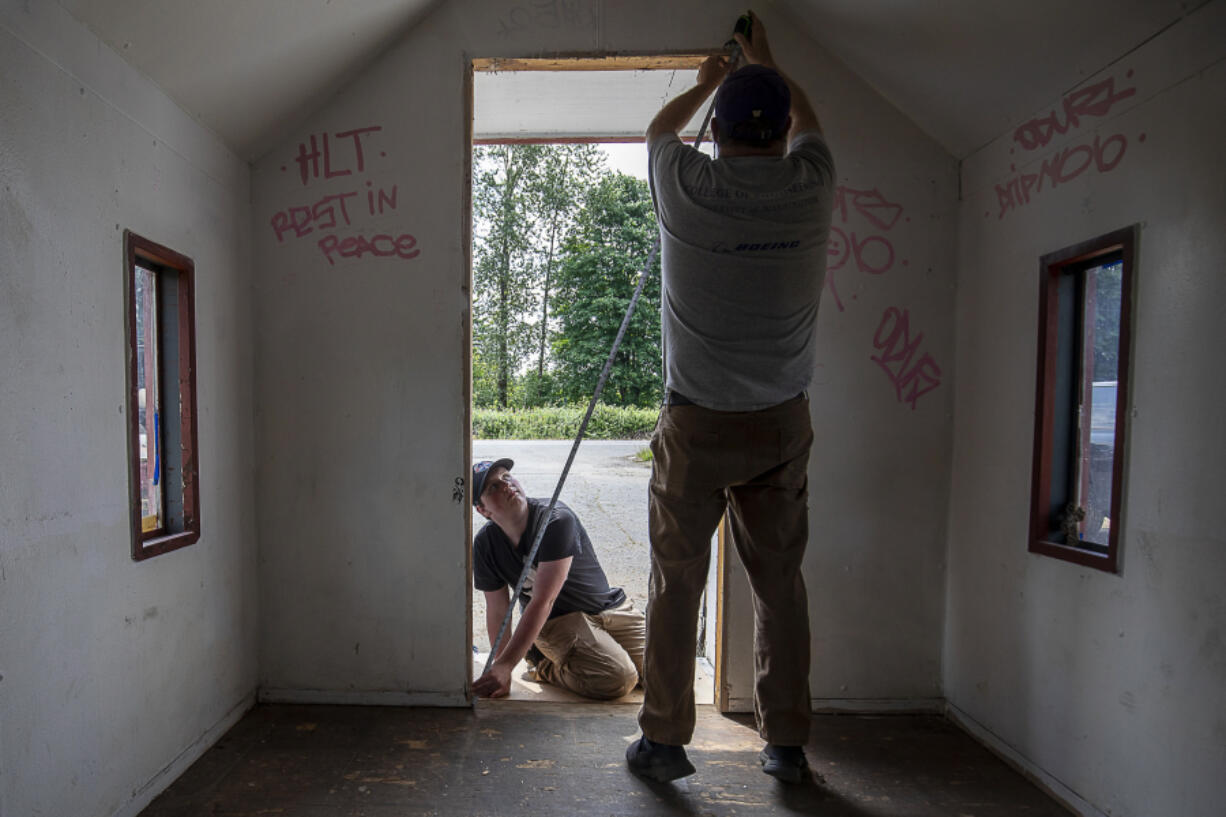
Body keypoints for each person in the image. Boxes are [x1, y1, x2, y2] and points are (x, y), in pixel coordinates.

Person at [625, 11, 835, 785]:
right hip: (780, 422)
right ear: (780, 133)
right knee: (780, 583)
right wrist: (768, 58)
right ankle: (784, 743)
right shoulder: (812, 186)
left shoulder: (687, 183)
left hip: (696, 419)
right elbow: (811, 116)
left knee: (676, 580)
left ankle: (665, 742)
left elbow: (656, 128)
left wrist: (708, 79)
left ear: (717, 133)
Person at [470, 458, 646, 700]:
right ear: (483, 510)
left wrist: (504, 666)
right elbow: (500, 609)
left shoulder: (555, 519)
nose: (506, 486)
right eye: (493, 488)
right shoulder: (485, 545)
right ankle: (543, 666)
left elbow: (544, 597)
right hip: (559, 621)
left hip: (611, 608)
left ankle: (584, 660)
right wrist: (503, 667)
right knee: (618, 679)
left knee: (667, 673)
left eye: (506, 478)